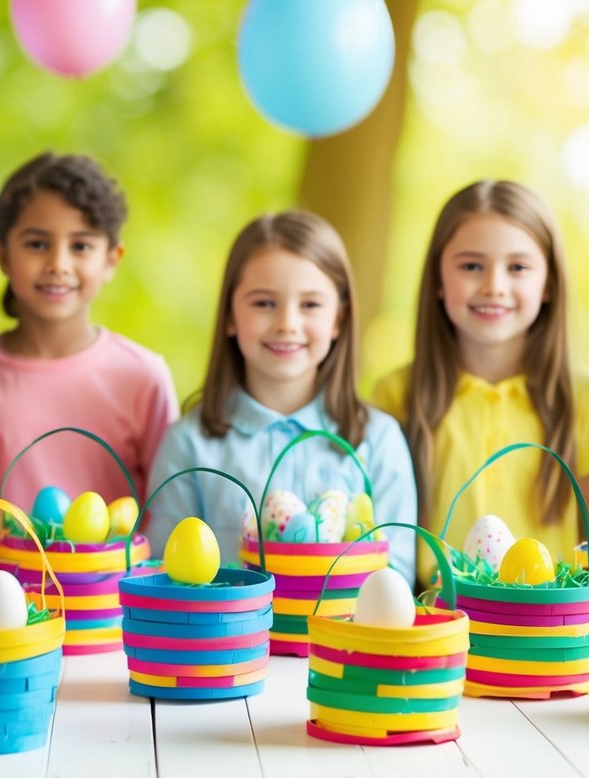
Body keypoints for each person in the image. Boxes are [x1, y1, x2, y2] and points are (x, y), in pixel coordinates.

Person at [149, 211, 417, 585]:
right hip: (227, 641)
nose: (287, 323)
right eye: (264, 303)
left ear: (338, 319)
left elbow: (396, 574)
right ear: (229, 315)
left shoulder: (378, 440)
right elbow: (166, 568)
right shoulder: (190, 444)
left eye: (310, 305)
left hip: (345, 641)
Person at [375, 181, 589, 587]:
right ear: (437, 279)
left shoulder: (584, 400)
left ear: (549, 283)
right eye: (471, 266)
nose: (493, 286)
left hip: (548, 631)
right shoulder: (396, 395)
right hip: (433, 623)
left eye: (517, 268)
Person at [0, 153, 178, 562]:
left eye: (81, 246)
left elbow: (166, 509)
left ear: (112, 259)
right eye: (37, 244)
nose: (58, 265)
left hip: (111, 607)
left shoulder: (142, 377)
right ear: (3, 254)